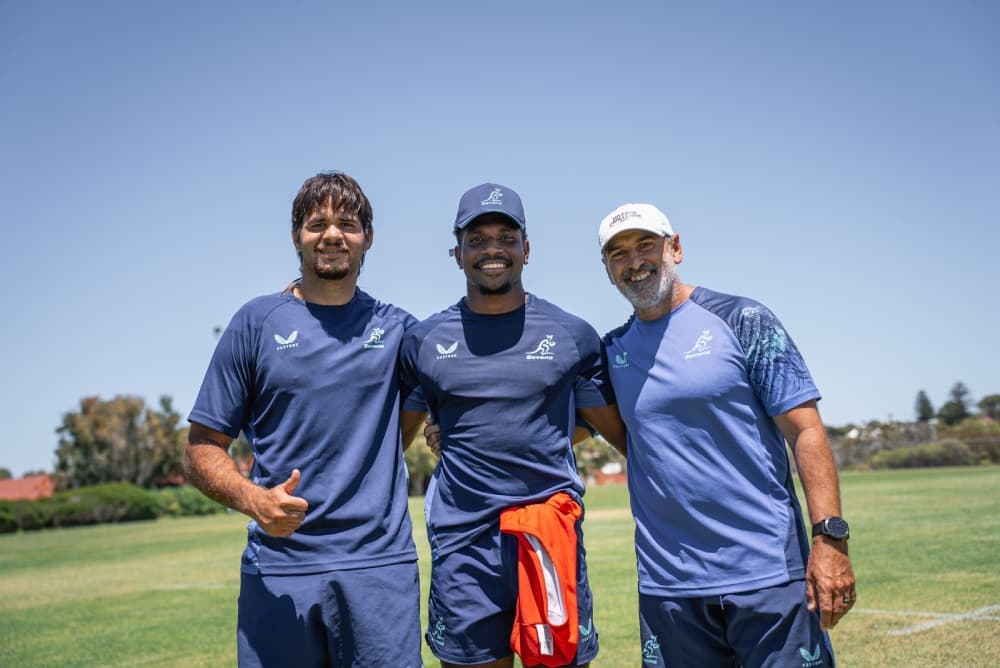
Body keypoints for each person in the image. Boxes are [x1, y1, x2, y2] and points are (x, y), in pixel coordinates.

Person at [596, 202, 856, 667]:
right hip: (669, 587)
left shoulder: (743, 320)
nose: (634, 261)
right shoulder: (610, 351)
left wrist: (830, 539)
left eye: (645, 245)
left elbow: (806, 431)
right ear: (607, 269)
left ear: (675, 247)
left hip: (768, 575)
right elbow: (543, 419)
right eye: (618, 253)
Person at [184, 171, 426, 667]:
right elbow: (201, 446)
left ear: (368, 238)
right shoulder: (256, 323)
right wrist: (253, 499)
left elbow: (448, 401)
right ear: (297, 236)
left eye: (348, 224)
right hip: (280, 565)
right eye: (317, 224)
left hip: (379, 568)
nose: (333, 235)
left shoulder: (401, 330)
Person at [401, 183, 626, 668]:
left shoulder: (573, 336)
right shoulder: (423, 340)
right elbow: (394, 439)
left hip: (547, 534)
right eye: (477, 239)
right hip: (464, 545)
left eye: (506, 236)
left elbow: (614, 432)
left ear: (526, 249)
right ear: (456, 254)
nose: (492, 249)